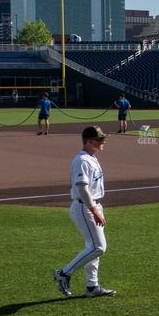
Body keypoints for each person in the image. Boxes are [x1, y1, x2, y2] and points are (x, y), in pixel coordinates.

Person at [53, 126, 116, 298]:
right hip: (85, 206)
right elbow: (82, 187)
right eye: (99, 139)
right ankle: (64, 273)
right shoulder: (82, 160)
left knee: (92, 246)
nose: (103, 142)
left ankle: (92, 286)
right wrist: (93, 209)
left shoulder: (91, 158)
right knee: (98, 247)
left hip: (92, 205)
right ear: (89, 141)